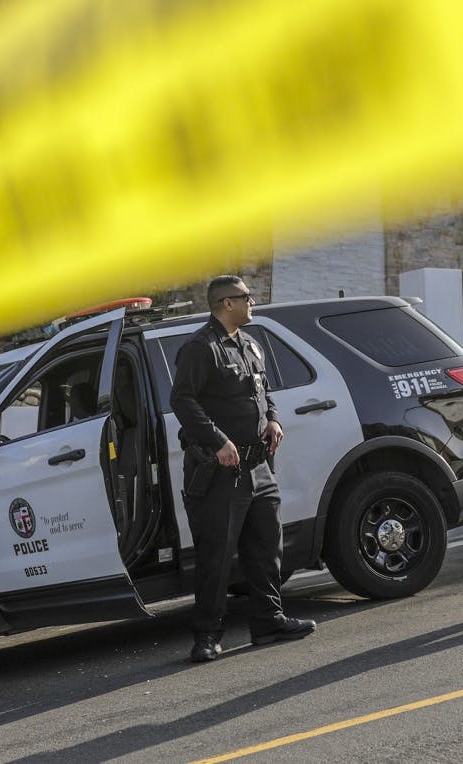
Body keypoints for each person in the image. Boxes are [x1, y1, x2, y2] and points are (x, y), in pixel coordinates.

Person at [170, 275, 317, 662]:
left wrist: (273, 419)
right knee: (216, 557)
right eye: (246, 297)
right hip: (220, 474)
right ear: (226, 304)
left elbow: (263, 390)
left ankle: (269, 621)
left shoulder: (251, 344)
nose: (253, 302)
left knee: (267, 548)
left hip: (259, 467)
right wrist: (218, 440)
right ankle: (206, 635)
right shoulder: (200, 349)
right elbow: (182, 401)